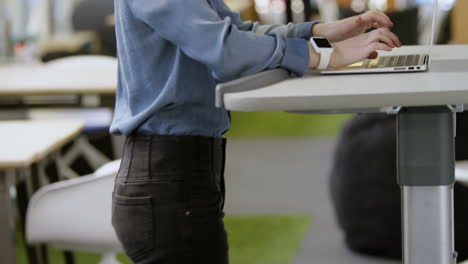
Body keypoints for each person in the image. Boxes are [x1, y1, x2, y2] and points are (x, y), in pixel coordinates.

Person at [109, 0, 401, 263]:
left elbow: (238, 32)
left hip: (184, 171)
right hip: (167, 178)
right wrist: (324, 55)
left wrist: (320, 33)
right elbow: (225, 49)